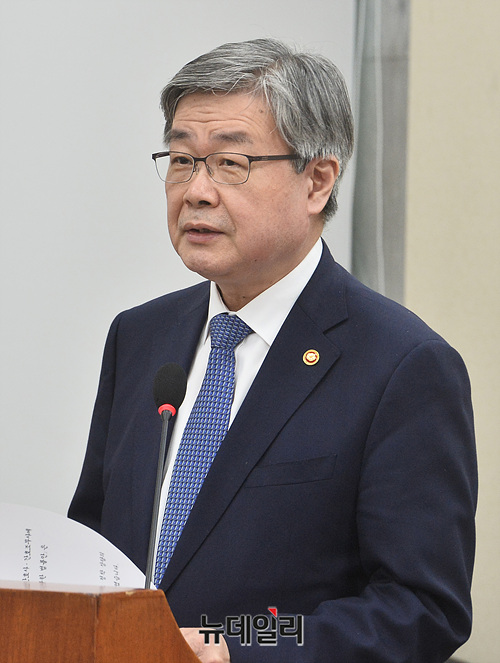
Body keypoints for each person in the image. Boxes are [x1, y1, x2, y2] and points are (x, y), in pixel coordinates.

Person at [68, 38, 477, 663]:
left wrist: (239, 647)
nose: (196, 191)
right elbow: (94, 545)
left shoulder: (403, 366)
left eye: (230, 163)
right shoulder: (139, 336)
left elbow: (420, 610)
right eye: (182, 160)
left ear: (317, 180)